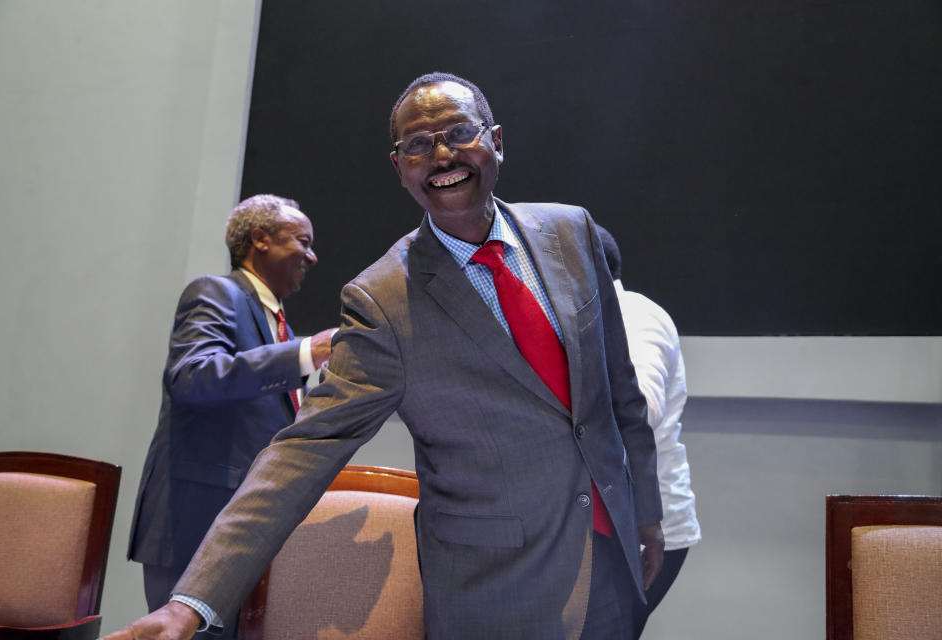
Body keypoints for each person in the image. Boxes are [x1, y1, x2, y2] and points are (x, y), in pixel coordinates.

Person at [107, 72, 664, 640]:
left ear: (496, 140)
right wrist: (189, 604)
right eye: (419, 145)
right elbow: (302, 452)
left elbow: (618, 390)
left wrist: (646, 509)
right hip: (497, 591)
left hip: (613, 560)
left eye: (459, 133)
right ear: (400, 167)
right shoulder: (382, 299)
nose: (442, 155)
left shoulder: (572, 232)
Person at [126, 194, 336, 637]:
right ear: (260, 239)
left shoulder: (275, 323)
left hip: (240, 531)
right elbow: (192, 377)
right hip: (194, 524)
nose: (313, 256)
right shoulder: (216, 292)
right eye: (303, 241)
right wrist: (306, 351)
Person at [596, 225, 701, 636]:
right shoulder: (590, 319)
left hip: (643, 528)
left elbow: (640, 409)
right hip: (606, 523)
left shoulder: (635, 317)